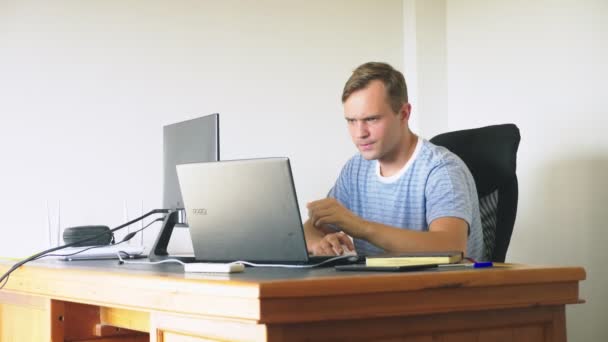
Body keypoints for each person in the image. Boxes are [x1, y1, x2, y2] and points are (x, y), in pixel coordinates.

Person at [304, 62, 484, 260]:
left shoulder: (442, 169)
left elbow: (452, 247)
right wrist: (318, 244)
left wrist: (362, 228)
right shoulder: (355, 169)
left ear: (404, 114)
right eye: (351, 121)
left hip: (438, 289)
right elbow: (312, 228)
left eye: (371, 119)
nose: (359, 133)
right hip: (378, 287)